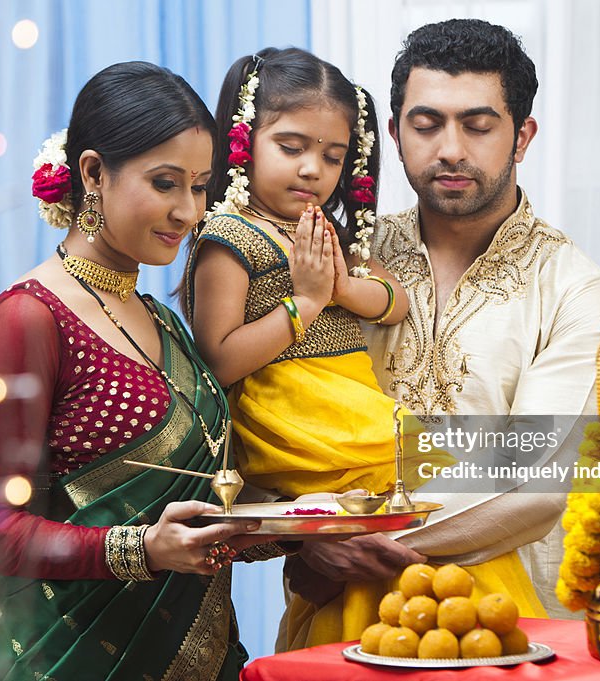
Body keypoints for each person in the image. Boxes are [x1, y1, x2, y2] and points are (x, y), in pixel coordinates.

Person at [280, 19, 600, 647]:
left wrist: (339, 541)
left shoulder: (576, 291)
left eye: (479, 125)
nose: (451, 149)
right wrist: (295, 533)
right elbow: (273, 412)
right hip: (341, 635)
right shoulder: (336, 259)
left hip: (509, 639)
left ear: (523, 136)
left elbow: (533, 484)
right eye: (426, 123)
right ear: (393, 133)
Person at [0, 61, 282, 681]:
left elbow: (192, 503)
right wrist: (140, 549)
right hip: (69, 660)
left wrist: (304, 527)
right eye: (165, 183)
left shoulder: (160, 319)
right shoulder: (26, 320)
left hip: (206, 656)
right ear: (93, 173)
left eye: (201, 187)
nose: (190, 212)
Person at [184, 47, 440, 501]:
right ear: (243, 140)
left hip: (350, 400)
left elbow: (395, 301)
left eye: (333, 157)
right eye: (290, 147)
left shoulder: (324, 229)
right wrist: (304, 304)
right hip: (296, 416)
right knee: (445, 468)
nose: (311, 169)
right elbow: (218, 361)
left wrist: (342, 288)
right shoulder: (230, 235)